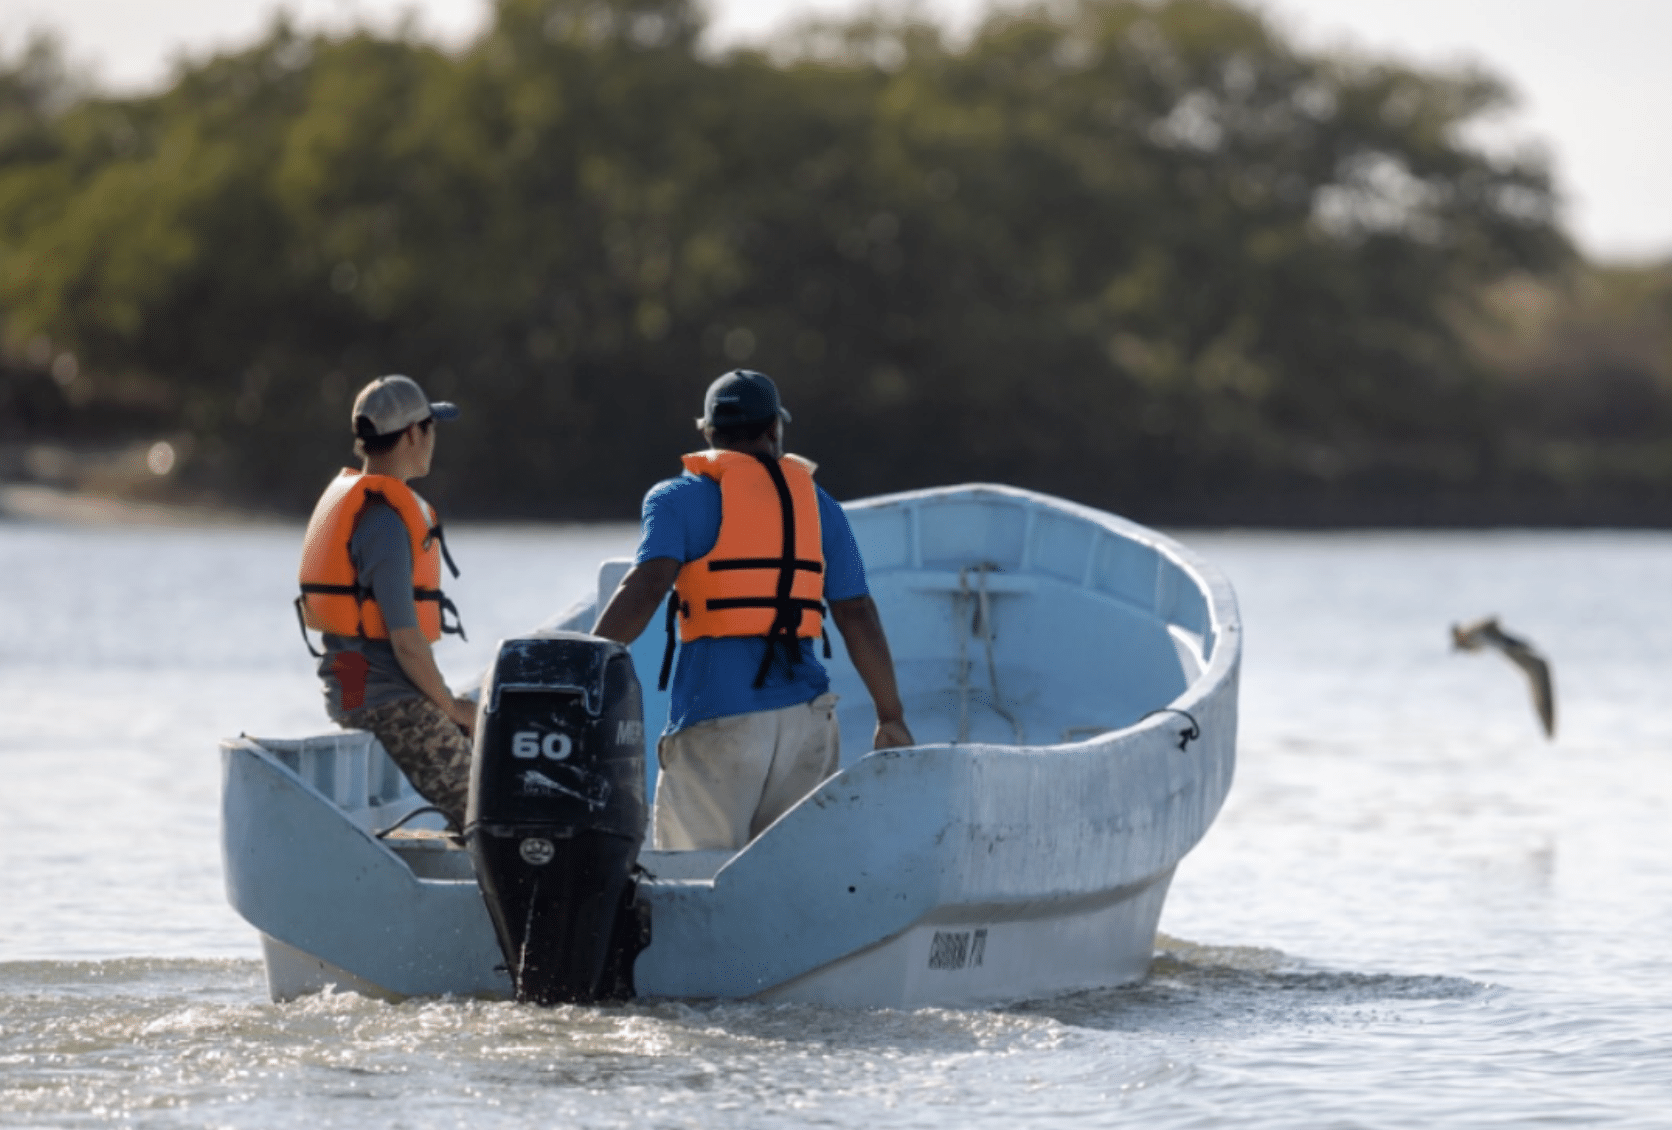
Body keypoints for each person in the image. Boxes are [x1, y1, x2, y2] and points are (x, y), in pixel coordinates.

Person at [593, 369, 914, 850]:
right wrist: (890, 715)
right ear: (774, 430)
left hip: (718, 716)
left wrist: (586, 665)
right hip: (807, 719)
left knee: (695, 881)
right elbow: (857, 613)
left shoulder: (677, 498)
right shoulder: (819, 504)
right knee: (791, 885)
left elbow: (647, 585)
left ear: (707, 433)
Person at [295, 374, 476, 830]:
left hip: (354, 693)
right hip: (386, 701)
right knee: (490, 806)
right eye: (432, 428)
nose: (433, 441)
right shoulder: (387, 526)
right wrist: (453, 709)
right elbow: (407, 643)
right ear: (414, 433)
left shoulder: (365, 510)